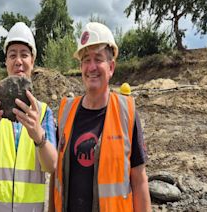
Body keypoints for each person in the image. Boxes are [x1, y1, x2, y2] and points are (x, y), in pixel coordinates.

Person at [49, 22, 151, 212]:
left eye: (98, 59)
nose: (92, 67)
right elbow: (56, 176)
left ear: (111, 67)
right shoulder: (65, 112)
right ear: (80, 67)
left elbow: (139, 181)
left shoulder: (126, 112)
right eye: (86, 59)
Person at [0, 22, 58, 212]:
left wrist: (38, 136)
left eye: (24, 54)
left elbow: (52, 166)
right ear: (6, 62)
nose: (18, 61)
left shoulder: (43, 112)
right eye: (12, 55)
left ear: (32, 61)